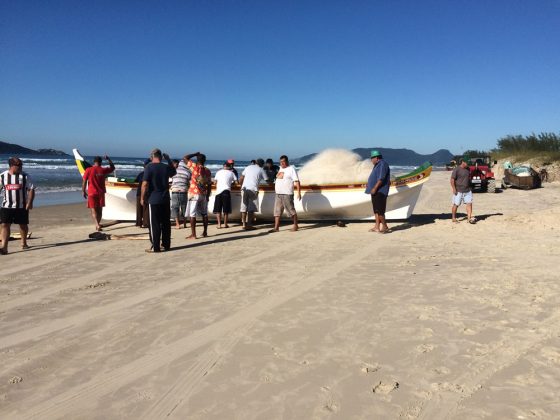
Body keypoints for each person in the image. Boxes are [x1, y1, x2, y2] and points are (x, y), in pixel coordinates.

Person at [141, 149, 176, 253]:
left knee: (154, 224)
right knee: (165, 223)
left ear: (152, 157)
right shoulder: (165, 167)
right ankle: (166, 245)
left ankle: (155, 247)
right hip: (165, 199)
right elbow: (174, 172)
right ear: (161, 157)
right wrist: (169, 159)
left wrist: (142, 198)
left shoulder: (149, 167)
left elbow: (144, 184)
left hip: (154, 199)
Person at [0, 157, 35, 254]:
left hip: (21, 206)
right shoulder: (2, 176)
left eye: (21, 165)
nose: (21, 167)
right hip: (6, 206)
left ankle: (24, 243)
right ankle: (4, 247)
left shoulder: (25, 176)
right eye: (18, 165)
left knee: (23, 225)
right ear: (11, 166)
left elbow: (31, 189)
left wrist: (30, 202)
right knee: (4, 224)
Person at [82, 155, 115, 232]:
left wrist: (83, 191)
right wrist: (109, 159)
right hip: (100, 193)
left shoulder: (88, 170)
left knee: (93, 210)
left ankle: (97, 225)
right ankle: (98, 225)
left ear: (94, 162)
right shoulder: (103, 170)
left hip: (91, 193)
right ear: (101, 162)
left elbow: (84, 181)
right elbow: (113, 168)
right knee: (100, 210)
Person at [184, 152, 212, 239]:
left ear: (197, 160)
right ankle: (205, 232)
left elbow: (185, 157)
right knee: (204, 214)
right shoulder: (207, 170)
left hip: (194, 193)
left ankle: (193, 234)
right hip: (203, 194)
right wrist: (207, 196)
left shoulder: (194, 167)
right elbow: (210, 184)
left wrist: (195, 153)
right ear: (205, 160)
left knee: (192, 214)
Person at [270, 155, 301, 232]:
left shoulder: (291, 169)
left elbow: (297, 181)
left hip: (287, 193)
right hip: (278, 194)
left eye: (283, 161)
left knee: (291, 210)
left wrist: (299, 192)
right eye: (280, 162)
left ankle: (296, 225)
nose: (282, 163)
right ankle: (276, 228)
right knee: (277, 211)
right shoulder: (280, 169)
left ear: (287, 161)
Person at [365, 150, 391, 233]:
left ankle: (385, 226)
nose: (371, 160)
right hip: (375, 191)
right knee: (376, 210)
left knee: (380, 211)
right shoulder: (377, 165)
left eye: (372, 158)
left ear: (376, 158)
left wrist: (374, 188)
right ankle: (377, 227)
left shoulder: (382, 164)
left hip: (380, 191)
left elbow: (381, 178)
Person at [238, 158, 267, 230]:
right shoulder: (261, 169)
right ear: (262, 164)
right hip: (253, 189)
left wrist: (241, 186)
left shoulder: (248, 167)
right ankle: (249, 225)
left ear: (256, 162)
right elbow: (267, 179)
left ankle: (244, 224)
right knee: (251, 208)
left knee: (243, 207)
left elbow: (241, 178)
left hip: (244, 189)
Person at [213, 162, 237, 228]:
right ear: (229, 167)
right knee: (226, 210)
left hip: (218, 192)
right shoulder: (232, 173)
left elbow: (215, 182)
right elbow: (236, 182)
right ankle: (225, 224)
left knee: (218, 209)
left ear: (223, 166)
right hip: (226, 191)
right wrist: (231, 184)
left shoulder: (218, 172)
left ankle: (219, 224)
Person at [451, 157, 475, 224]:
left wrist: (471, 187)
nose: (468, 164)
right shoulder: (456, 169)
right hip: (458, 190)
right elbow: (452, 180)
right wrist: (454, 189)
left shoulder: (468, 169)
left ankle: (469, 218)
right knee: (456, 204)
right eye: (467, 163)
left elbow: (469, 178)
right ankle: (453, 218)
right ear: (463, 162)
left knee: (469, 203)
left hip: (468, 190)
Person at [170, 158, 191, 229]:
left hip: (175, 190)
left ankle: (177, 224)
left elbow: (170, 180)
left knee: (175, 208)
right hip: (184, 191)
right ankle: (184, 224)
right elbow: (189, 181)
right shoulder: (187, 171)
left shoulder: (173, 170)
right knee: (184, 208)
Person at [135, 159, 151, 228]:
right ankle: (146, 223)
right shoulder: (150, 174)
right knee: (146, 209)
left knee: (139, 209)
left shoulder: (141, 174)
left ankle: (139, 223)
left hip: (139, 193)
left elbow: (136, 181)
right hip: (147, 193)